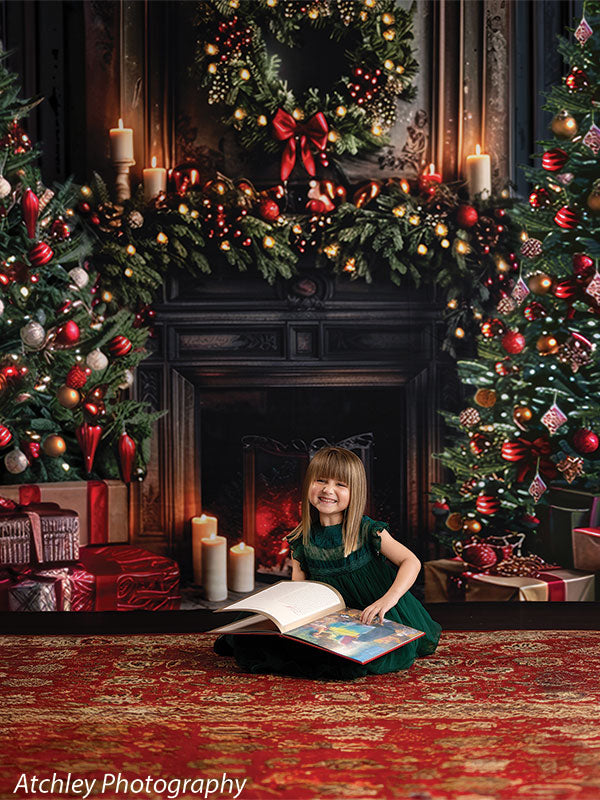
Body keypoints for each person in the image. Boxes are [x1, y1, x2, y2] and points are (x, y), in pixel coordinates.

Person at [214, 445, 441, 679]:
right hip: (330, 616)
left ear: (356, 492)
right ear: (309, 484)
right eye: (321, 480)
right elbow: (298, 590)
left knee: (366, 657)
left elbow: (411, 561)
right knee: (266, 640)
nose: (328, 489)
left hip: (374, 609)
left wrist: (388, 600)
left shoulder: (367, 530)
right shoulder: (300, 540)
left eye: (340, 484)